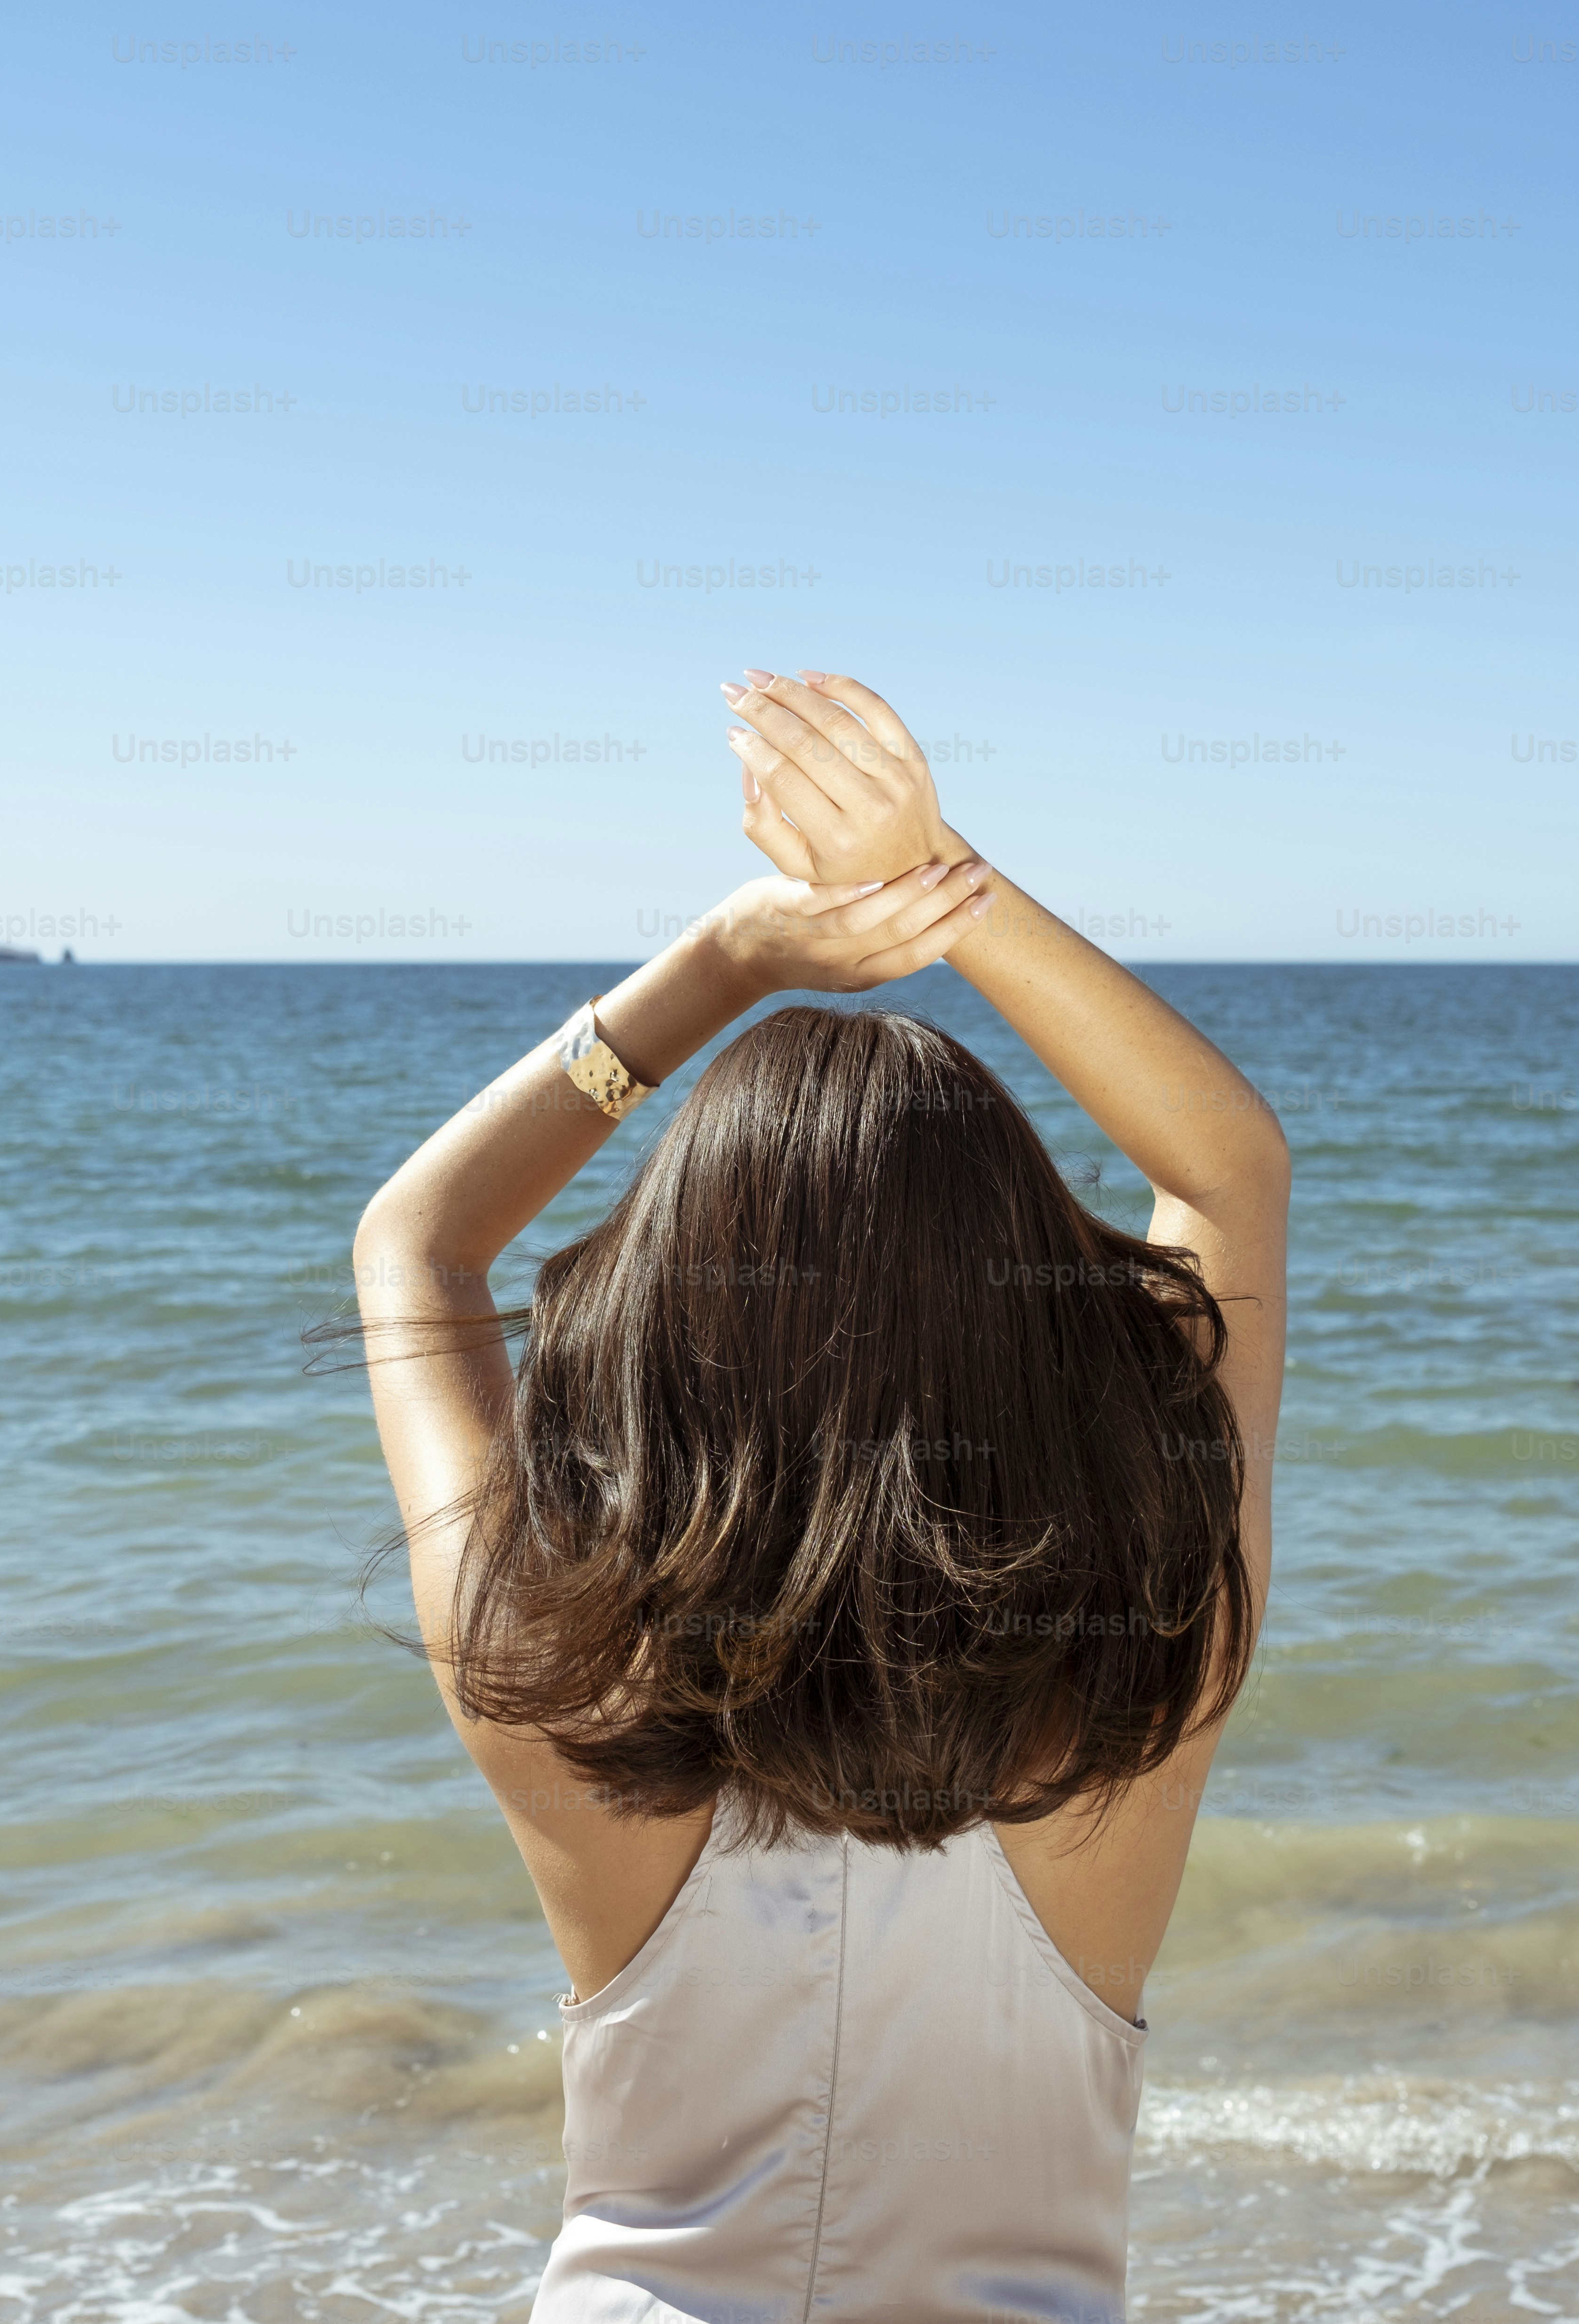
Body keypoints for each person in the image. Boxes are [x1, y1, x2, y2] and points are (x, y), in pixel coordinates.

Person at [351, 670, 1290, 2318]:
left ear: (668, 1334)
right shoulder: (1149, 1669)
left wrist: (725, 964)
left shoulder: (558, 1676)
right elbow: (1228, 1172)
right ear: (1035, 1328)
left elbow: (417, 1244)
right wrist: (946, 884)